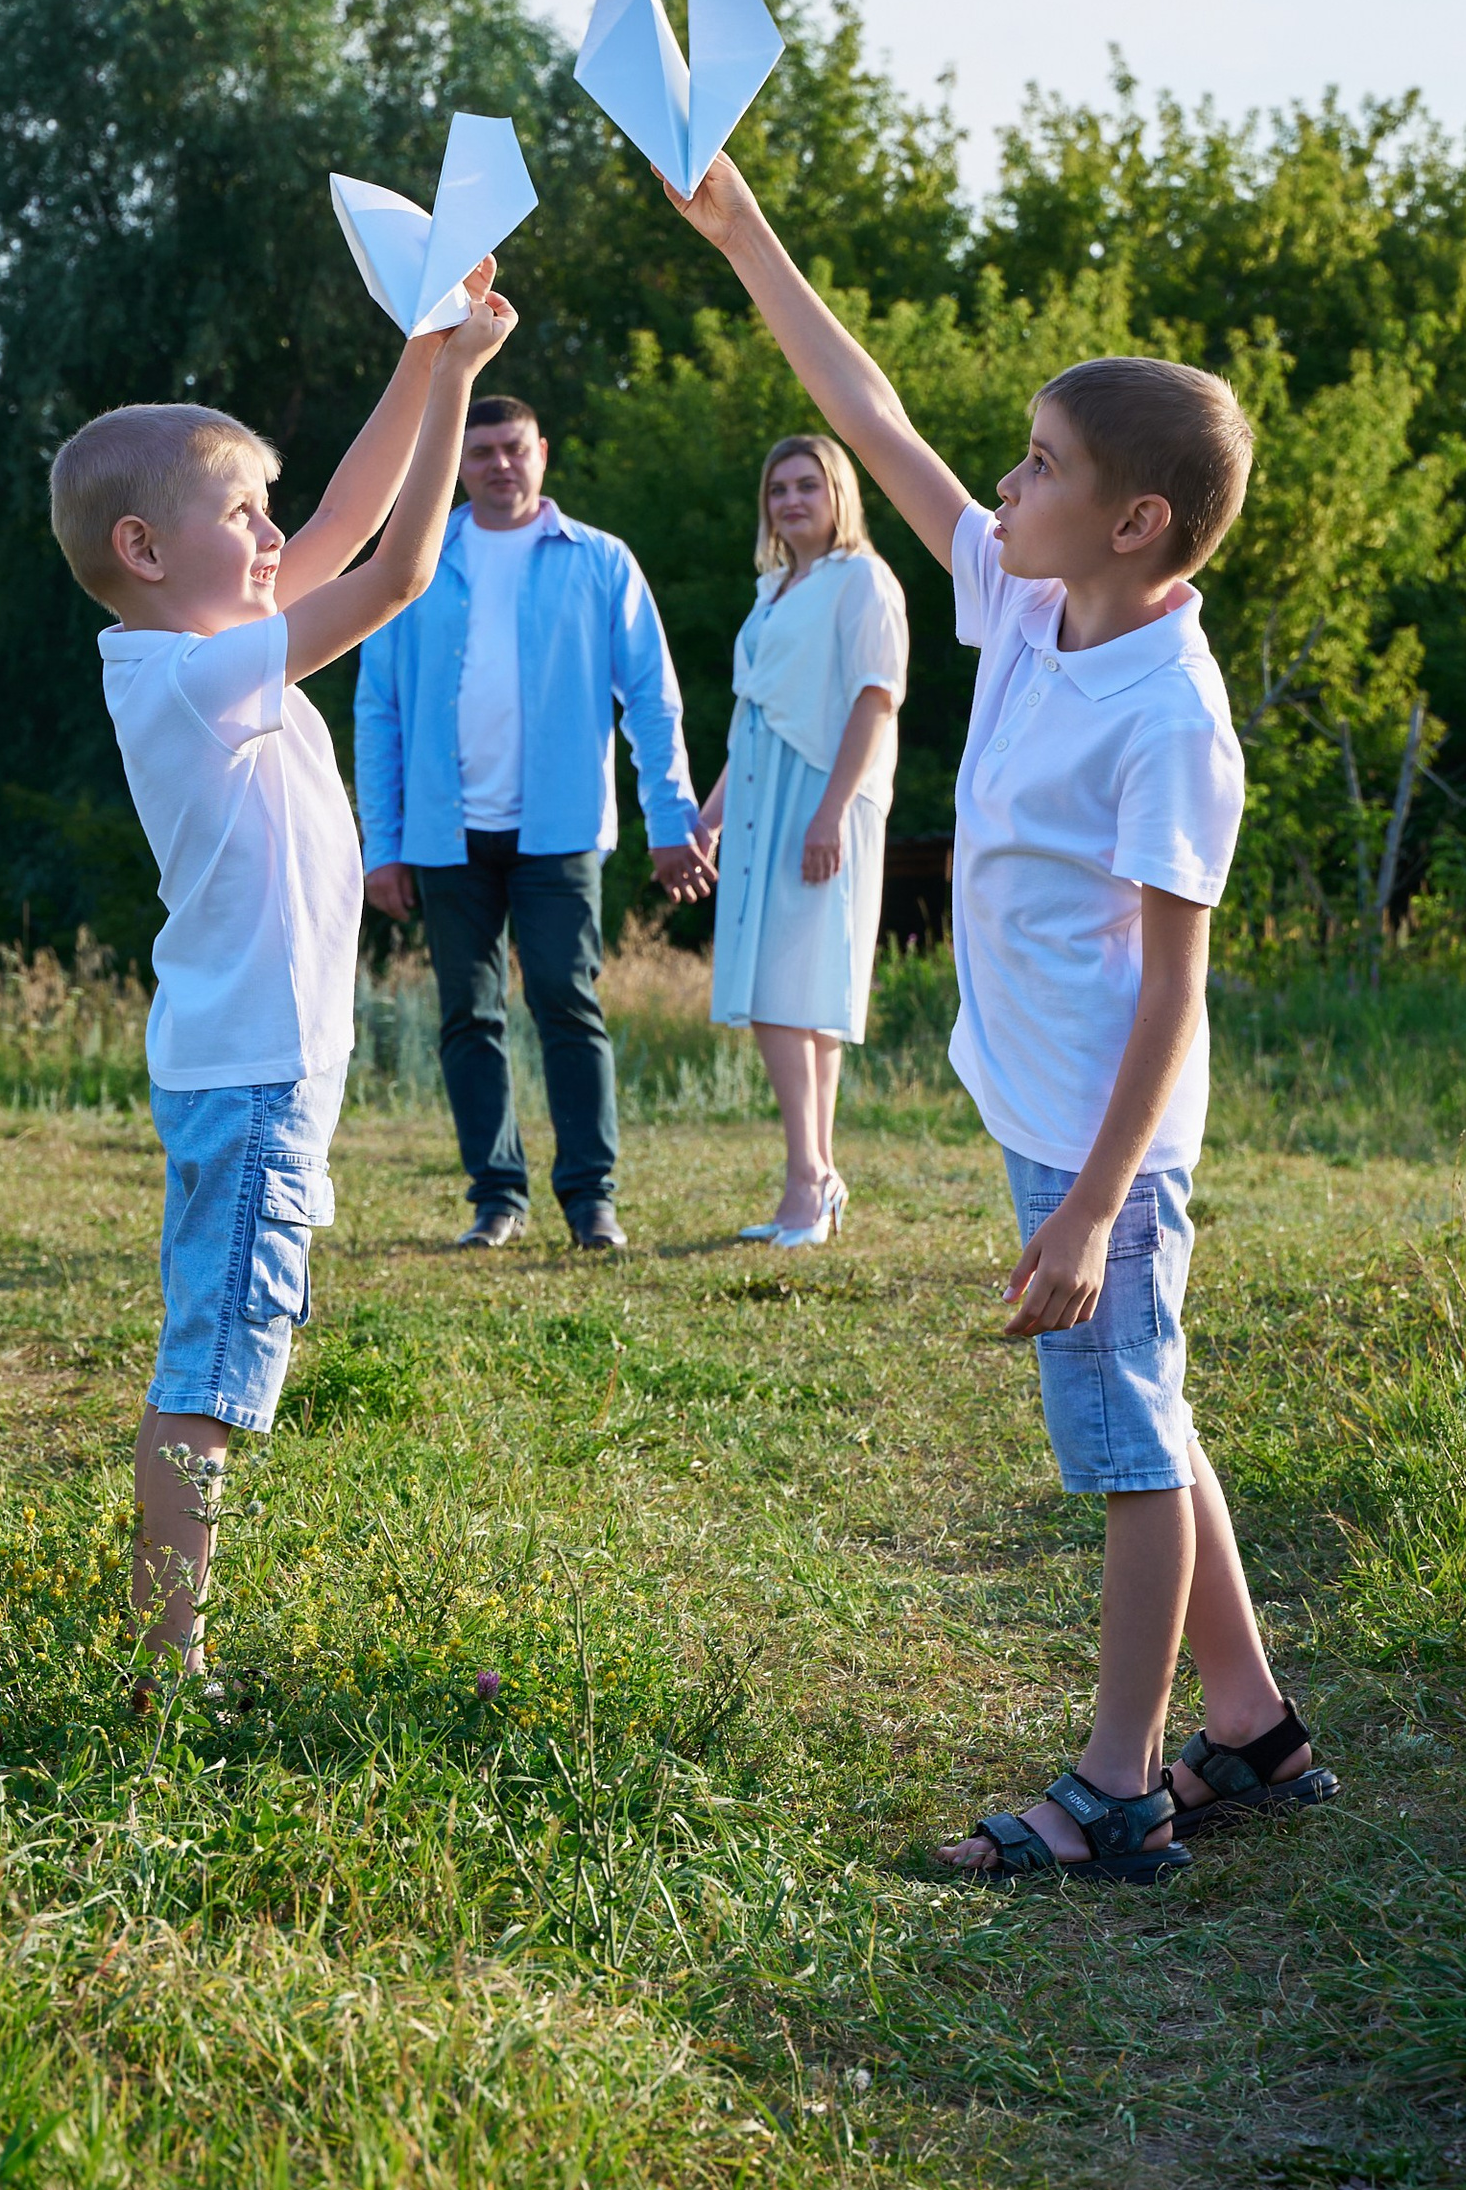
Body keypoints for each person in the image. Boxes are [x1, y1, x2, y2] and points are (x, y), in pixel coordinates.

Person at [663, 153, 1339, 1881]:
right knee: (1149, 1410)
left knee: (1120, 1443)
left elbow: (1178, 987)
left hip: (1106, 1144)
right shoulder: (1029, 607)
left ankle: (1117, 1789)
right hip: (1048, 1115)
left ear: (1136, 523)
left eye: (1040, 465)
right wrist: (747, 228)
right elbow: (871, 413)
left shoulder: (1174, 716)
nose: (1003, 483)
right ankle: (1249, 1723)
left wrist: (1101, 1206)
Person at [48, 266, 517, 1673]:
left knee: (219, 1356)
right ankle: (165, 1657)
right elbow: (398, 567)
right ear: (143, 547)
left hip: (248, 1068)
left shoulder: (208, 650)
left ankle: (165, 1638)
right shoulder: (191, 675)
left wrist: (431, 357)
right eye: (238, 513)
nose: (271, 533)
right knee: (209, 1375)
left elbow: (338, 525)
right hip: (250, 1077)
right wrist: (468, 394)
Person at [356, 393, 714, 1252]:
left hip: (560, 832)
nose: (498, 465)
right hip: (445, 836)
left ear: (542, 453)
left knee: (567, 1001)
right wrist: (383, 842)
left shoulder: (600, 561)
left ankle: (592, 1199)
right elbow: (379, 711)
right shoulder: (415, 561)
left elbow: (655, 705)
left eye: (513, 448)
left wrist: (672, 821)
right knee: (467, 1016)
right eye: (480, 452)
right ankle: (496, 1198)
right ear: (458, 462)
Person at [699, 434, 909, 1245]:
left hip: (821, 795)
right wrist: (707, 821)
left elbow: (875, 700)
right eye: (779, 489)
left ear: (838, 494)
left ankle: (807, 1181)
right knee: (794, 995)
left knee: (788, 994)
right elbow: (750, 718)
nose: (791, 501)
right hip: (759, 793)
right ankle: (817, 1176)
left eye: (807, 486)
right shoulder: (774, 589)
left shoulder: (864, 582)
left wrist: (830, 813)